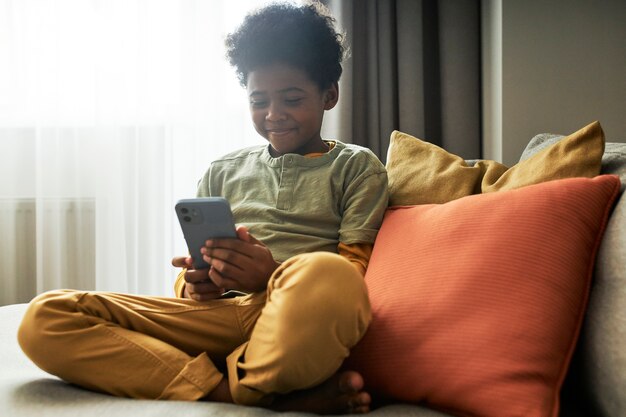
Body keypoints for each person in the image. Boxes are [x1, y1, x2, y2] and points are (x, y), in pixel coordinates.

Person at [17, 2, 388, 414]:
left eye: (292, 98)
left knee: (330, 274)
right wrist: (194, 284)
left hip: (291, 317)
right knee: (47, 316)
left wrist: (270, 276)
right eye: (258, 100)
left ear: (329, 95)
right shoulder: (223, 171)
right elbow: (196, 269)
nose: (273, 114)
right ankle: (232, 392)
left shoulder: (357, 166)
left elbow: (356, 274)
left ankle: (251, 379)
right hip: (214, 315)